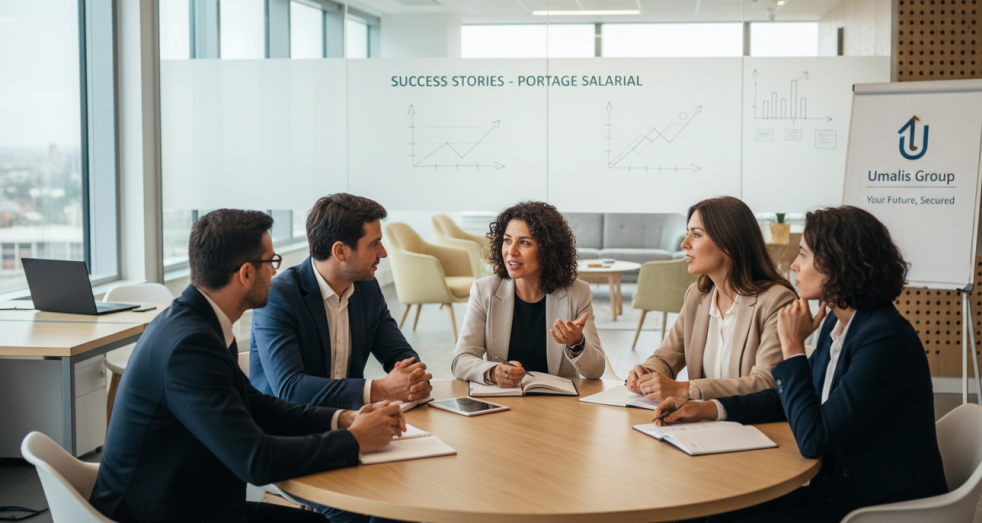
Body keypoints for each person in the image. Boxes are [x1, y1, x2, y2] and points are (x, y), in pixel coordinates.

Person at [90, 209, 405, 523]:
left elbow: (255, 405)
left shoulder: (201, 322)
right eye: (271, 262)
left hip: (192, 500)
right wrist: (353, 440)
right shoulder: (189, 345)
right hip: (164, 512)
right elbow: (256, 460)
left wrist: (343, 419)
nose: (275, 273)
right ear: (245, 274)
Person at [655, 206, 948, 523]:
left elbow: (814, 439)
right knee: (710, 512)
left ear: (840, 264)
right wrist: (709, 408)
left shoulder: (884, 340)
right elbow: (789, 398)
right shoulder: (839, 320)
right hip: (842, 490)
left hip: (878, 507)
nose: (794, 265)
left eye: (804, 255)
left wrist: (793, 349)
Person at [250, 193, 432, 411]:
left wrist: (414, 379)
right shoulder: (278, 297)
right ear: (340, 251)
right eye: (374, 244)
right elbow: (291, 389)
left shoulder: (367, 288)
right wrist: (379, 389)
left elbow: (399, 354)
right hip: (288, 431)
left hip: (351, 422)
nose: (383, 253)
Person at [626, 196, 797, 402]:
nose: (684, 243)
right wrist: (647, 373)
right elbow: (667, 355)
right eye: (687, 232)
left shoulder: (777, 301)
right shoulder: (697, 295)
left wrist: (686, 389)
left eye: (696, 234)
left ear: (728, 242)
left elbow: (765, 383)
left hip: (752, 427)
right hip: (699, 425)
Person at [452, 201, 605, 385]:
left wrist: (577, 343)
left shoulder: (577, 293)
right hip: (505, 402)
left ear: (548, 250)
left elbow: (595, 371)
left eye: (524, 242)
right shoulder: (484, 291)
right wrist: (492, 372)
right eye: (507, 240)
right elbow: (461, 359)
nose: (511, 251)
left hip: (558, 406)